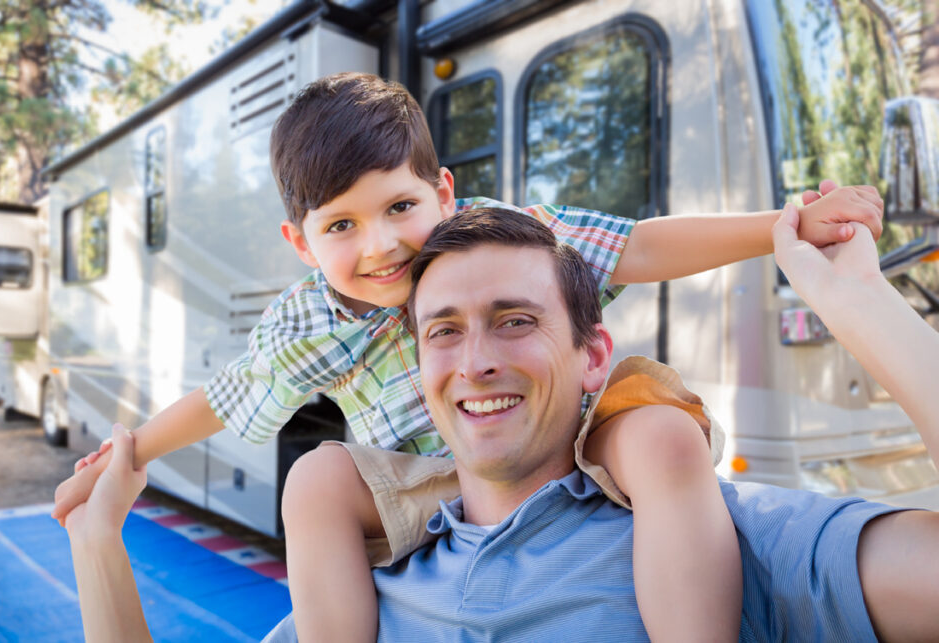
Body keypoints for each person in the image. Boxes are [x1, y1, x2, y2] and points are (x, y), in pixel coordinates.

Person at [54, 72, 884, 642]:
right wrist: (130, 453)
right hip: (434, 477)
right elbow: (225, 397)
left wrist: (782, 226)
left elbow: (635, 246)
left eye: (400, 207)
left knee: (662, 435)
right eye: (341, 226)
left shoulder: (495, 237)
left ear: (444, 193)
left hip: (567, 431)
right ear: (299, 244)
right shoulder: (307, 322)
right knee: (314, 480)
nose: (380, 246)